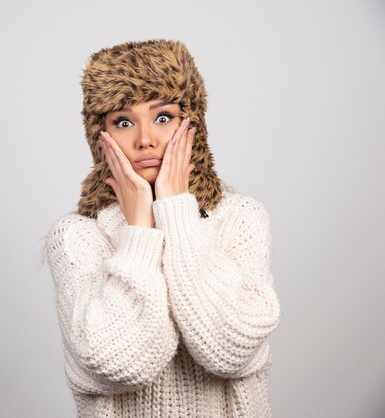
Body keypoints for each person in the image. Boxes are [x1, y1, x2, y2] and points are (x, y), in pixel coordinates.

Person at [44, 39, 282, 418]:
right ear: (98, 136)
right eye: (123, 122)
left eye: (163, 117)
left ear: (193, 123)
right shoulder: (78, 237)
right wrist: (139, 230)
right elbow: (116, 364)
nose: (145, 139)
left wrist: (176, 210)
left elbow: (229, 350)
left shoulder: (240, 218)